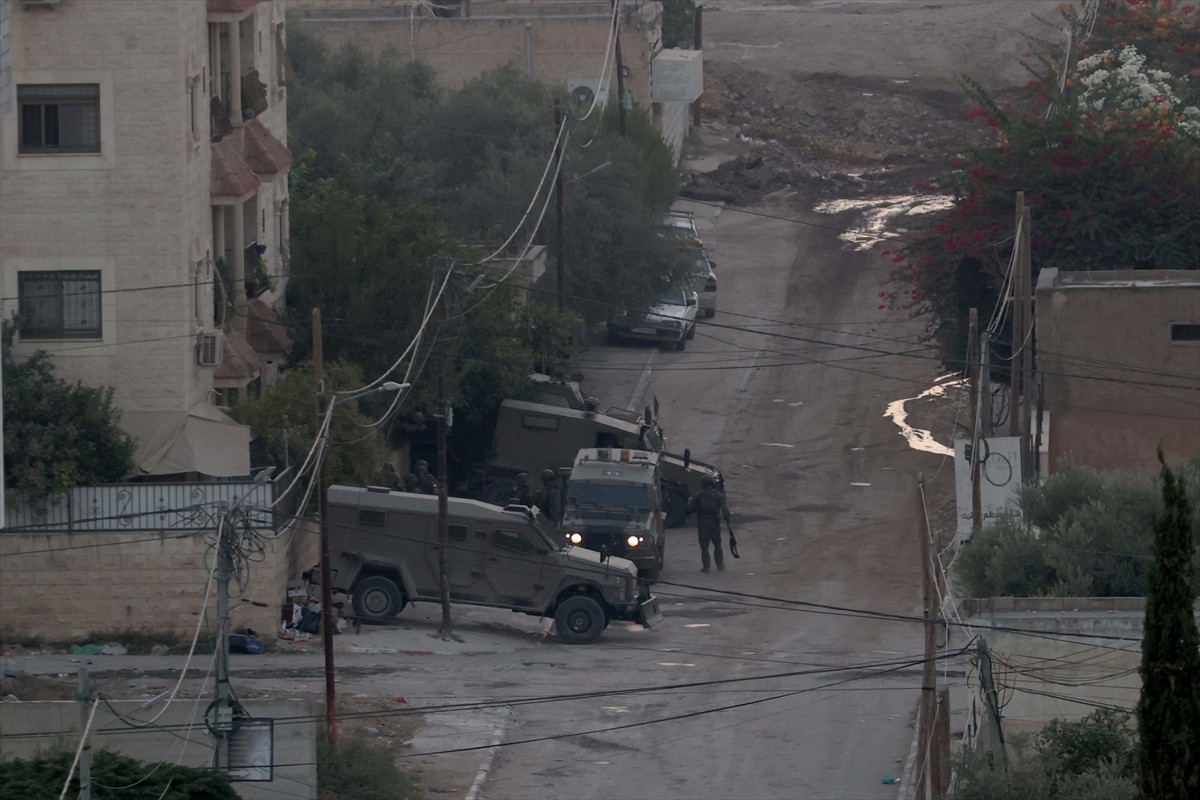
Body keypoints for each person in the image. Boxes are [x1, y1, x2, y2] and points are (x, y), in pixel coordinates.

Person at [685, 475, 731, 572]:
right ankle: (720, 565)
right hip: (714, 523)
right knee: (717, 544)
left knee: (704, 547)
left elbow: (689, 508)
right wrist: (728, 521)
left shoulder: (698, 495)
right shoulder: (718, 495)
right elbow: (725, 510)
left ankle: (706, 567)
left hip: (703, 523)